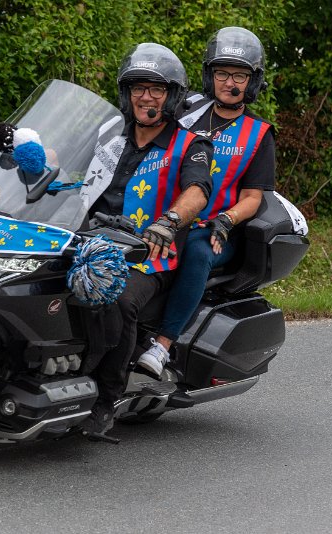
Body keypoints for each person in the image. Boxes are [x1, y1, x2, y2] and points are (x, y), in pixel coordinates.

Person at [80, 43, 214, 437]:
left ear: (172, 96)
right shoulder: (109, 135)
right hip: (87, 240)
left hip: (148, 254)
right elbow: (63, 160)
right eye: (138, 87)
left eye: (157, 88)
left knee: (117, 298)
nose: (146, 96)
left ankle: (106, 400)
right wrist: (22, 149)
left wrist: (169, 222)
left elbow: (198, 192)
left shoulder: (190, 145)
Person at [135, 27, 276, 376]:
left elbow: (253, 197)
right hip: (168, 212)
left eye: (240, 75)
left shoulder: (258, 133)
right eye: (222, 73)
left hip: (216, 228)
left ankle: (162, 346)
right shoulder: (186, 110)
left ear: (253, 81)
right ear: (209, 75)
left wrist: (227, 219)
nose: (230, 82)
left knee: (198, 251)